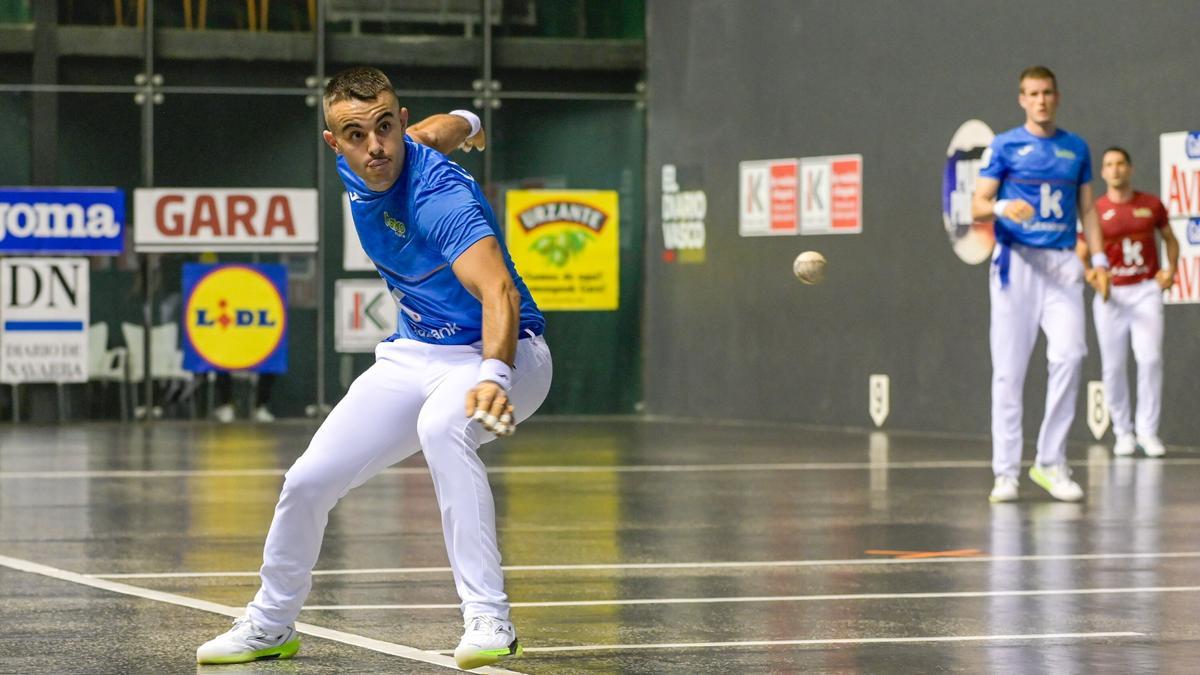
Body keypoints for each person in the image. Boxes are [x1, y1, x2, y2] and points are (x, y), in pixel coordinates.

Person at [197, 67, 551, 670]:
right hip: (413, 351)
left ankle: (489, 619)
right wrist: (470, 122)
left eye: (386, 128)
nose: (376, 147)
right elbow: (437, 132)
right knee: (308, 480)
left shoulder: (442, 197)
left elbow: (499, 294)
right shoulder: (367, 159)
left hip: (504, 349)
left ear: (400, 120)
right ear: (334, 142)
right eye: (357, 135)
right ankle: (270, 625)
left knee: (444, 428)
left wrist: (494, 373)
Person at [971, 65, 1110, 503]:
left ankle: (1050, 463)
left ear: (1057, 96)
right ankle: (1006, 472)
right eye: (1032, 93)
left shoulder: (1076, 148)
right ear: (1021, 99)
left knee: (1070, 355)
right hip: (1017, 264)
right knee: (1009, 372)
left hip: (1064, 265)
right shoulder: (1005, 145)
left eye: (1047, 92)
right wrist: (1003, 205)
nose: (1041, 100)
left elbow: (1087, 210)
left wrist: (1100, 256)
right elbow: (978, 202)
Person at [1075, 147, 1178, 457]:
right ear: (1103, 173)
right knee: (1113, 367)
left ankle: (1148, 432)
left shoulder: (1151, 205)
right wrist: (1093, 276)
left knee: (1149, 359)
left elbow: (1171, 240)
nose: (1115, 169)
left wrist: (1170, 269)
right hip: (1112, 295)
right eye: (1109, 165)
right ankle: (1123, 432)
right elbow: (1082, 253)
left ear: (1130, 169)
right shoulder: (1096, 209)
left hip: (1145, 290)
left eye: (1120, 164)